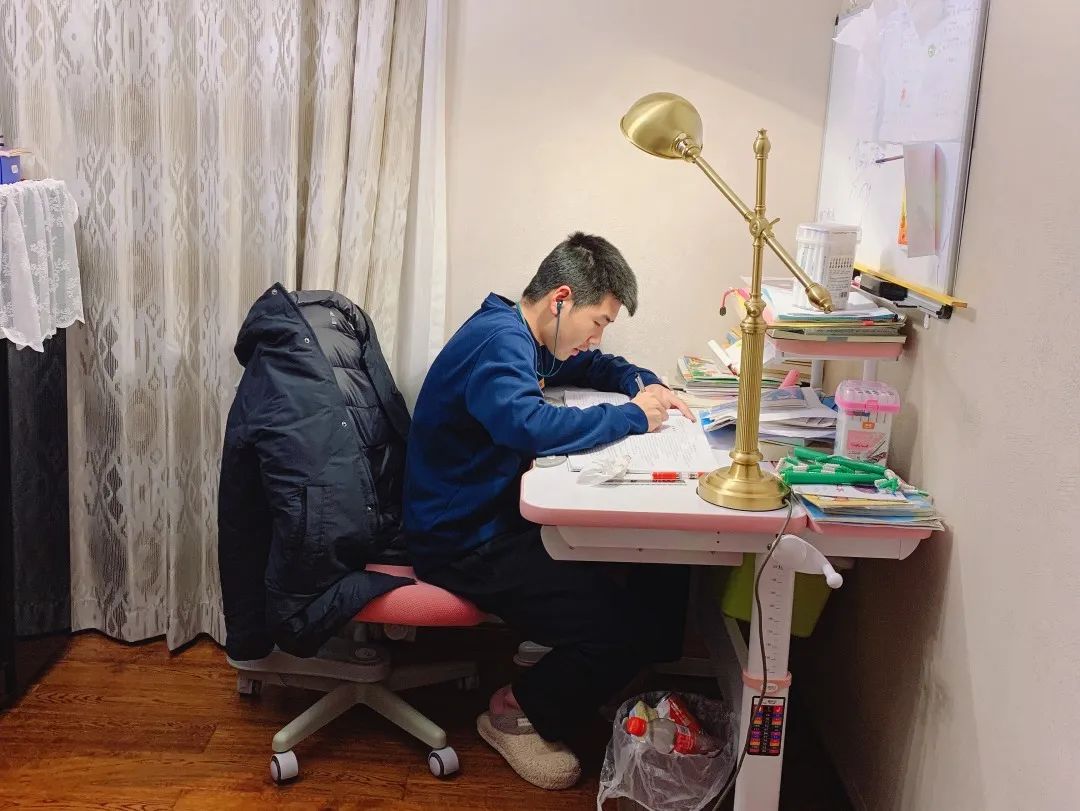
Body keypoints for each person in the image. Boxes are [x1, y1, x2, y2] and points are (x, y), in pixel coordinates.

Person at [403, 232, 692, 790]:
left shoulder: (522, 334)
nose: (597, 337)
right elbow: (530, 426)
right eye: (598, 321)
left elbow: (592, 365)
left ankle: (586, 676)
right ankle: (516, 712)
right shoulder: (500, 345)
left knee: (655, 574)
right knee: (622, 631)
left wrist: (644, 383)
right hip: (462, 539)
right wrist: (634, 416)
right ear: (562, 299)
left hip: (488, 518)